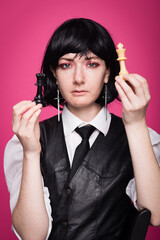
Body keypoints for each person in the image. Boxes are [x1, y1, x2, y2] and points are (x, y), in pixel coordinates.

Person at [4, 18, 160, 240]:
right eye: (66, 65)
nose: (78, 78)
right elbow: (32, 236)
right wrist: (31, 152)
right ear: (54, 73)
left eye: (92, 64)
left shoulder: (143, 138)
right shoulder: (24, 140)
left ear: (108, 72)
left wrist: (136, 125)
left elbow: (156, 215)